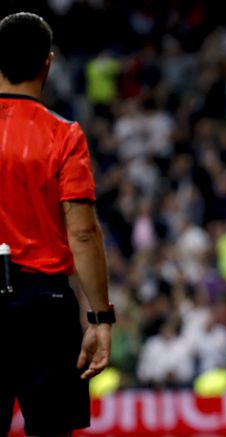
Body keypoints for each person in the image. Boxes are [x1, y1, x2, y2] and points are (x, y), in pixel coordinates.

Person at [0, 12, 113, 437]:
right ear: (47, 63)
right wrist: (100, 318)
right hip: (43, 308)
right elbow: (82, 231)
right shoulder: (63, 136)